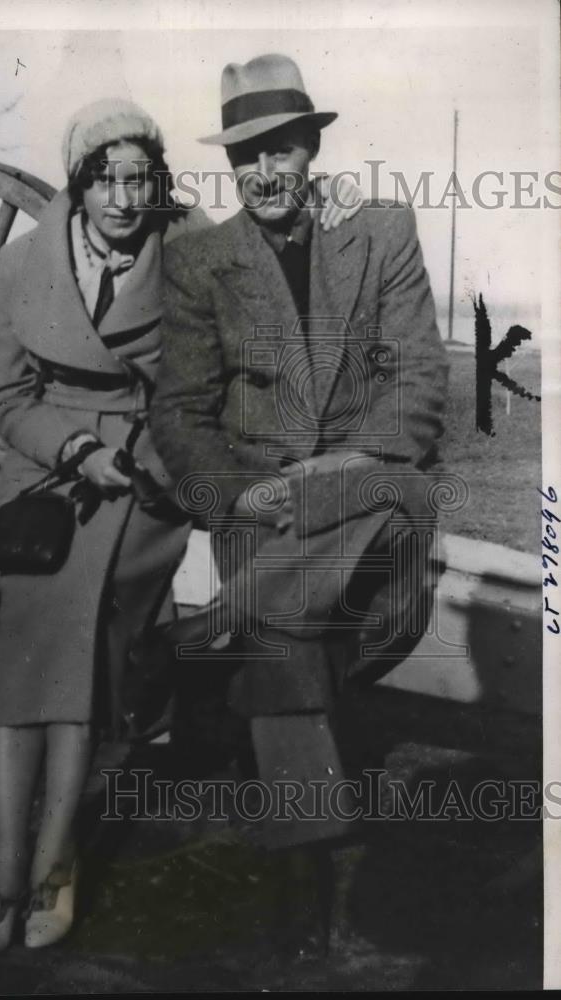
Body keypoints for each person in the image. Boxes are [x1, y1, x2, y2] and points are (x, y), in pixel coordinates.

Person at [0, 95, 364, 957]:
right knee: (35, 644)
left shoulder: (187, 254)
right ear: (79, 185)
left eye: (138, 177)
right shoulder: (26, 264)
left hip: (147, 478)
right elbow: (3, 397)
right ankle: (11, 864)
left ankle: (53, 861)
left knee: (74, 641)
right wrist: (73, 447)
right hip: (51, 471)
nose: (121, 197)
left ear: (157, 183)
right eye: (104, 179)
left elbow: (208, 382)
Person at [149, 53, 449, 937]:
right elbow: (180, 412)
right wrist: (239, 500)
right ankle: (304, 862)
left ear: (311, 150)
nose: (265, 171)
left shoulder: (383, 231)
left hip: (373, 494)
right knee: (288, 638)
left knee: (383, 514)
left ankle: (215, 626)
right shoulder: (201, 261)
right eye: (247, 156)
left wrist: (345, 465)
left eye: (281, 148)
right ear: (231, 167)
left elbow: (420, 379)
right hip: (266, 506)